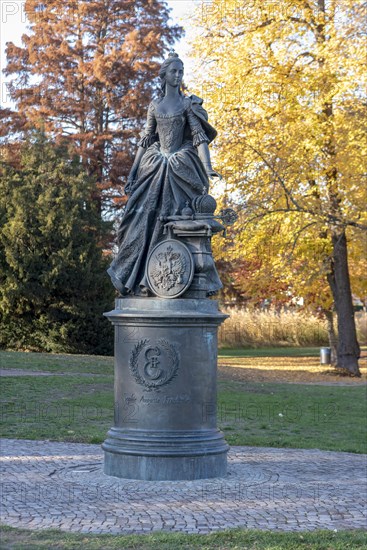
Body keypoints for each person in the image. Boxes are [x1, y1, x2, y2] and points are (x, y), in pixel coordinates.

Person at [108, 52, 221, 296]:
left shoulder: (187, 104)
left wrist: (208, 167)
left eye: (181, 71)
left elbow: (199, 137)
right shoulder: (155, 106)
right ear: (164, 75)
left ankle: (173, 278)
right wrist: (132, 173)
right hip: (154, 166)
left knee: (175, 219)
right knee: (143, 218)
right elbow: (146, 139)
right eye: (174, 71)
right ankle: (141, 277)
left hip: (181, 166)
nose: (178, 75)